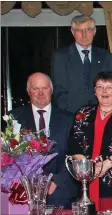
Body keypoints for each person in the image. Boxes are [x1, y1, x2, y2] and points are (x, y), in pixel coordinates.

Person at [66, 72, 112, 212]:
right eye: (99, 87)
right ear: (95, 92)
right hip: (86, 183)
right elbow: (73, 144)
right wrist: (87, 167)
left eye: (109, 87)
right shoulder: (82, 113)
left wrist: (105, 165)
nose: (104, 91)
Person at [8, 72, 75, 208]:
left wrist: (57, 180)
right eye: (35, 89)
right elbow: (9, 156)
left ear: (51, 90)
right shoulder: (14, 118)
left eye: (44, 88)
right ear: (28, 91)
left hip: (59, 192)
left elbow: (74, 154)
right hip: (24, 194)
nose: (40, 93)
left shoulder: (69, 118)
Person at [51, 15, 112, 113]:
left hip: (101, 114)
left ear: (94, 31)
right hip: (70, 114)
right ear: (73, 32)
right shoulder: (61, 57)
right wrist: (68, 113)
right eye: (79, 30)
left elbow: (111, 88)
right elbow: (59, 90)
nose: (84, 35)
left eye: (88, 30)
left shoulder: (106, 57)